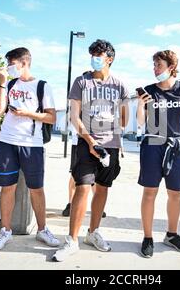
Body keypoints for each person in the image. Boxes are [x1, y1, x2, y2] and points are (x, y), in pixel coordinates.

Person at [53, 39, 129, 262]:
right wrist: (90, 140)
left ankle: (92, 233)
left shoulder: (120, 85)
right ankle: (72, 240)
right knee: (83, 188)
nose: (95, 57)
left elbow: (124, 119)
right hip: (86, 144)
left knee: (103, 189)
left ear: (109, 59)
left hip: (111, 146)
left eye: (99, 54)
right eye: (93, 54)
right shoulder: (81, 81)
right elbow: (73, 116)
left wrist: (114, 129)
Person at [0, 47, 60, 251]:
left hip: (32, 145)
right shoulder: (10, 83)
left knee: (36, 189)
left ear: (24, 63)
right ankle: (5, 231)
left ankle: (42, 229)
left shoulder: (42, 86)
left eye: (12, 64)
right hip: (7, 142)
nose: (9, 68)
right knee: (7, 187)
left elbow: (52, 117)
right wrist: (2, 85)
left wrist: (28, 113)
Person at [136, 50, 180, 258]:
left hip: (175, 146)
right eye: (154, 65)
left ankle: (172, 235)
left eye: (158, 65)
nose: (155, 69)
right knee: (150, 193)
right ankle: (147, 237)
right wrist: (140, 105)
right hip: (153, 144)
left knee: (175, 194)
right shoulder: (149, 90)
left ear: (171, 67)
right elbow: (139, 122)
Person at [62, 123, 106, 218]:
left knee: (95, 176)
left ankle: (97, 205)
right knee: (75, 175)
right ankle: (70, 203)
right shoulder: (78, 108)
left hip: (100, 141)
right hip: (79, 141)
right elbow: (74, 120)